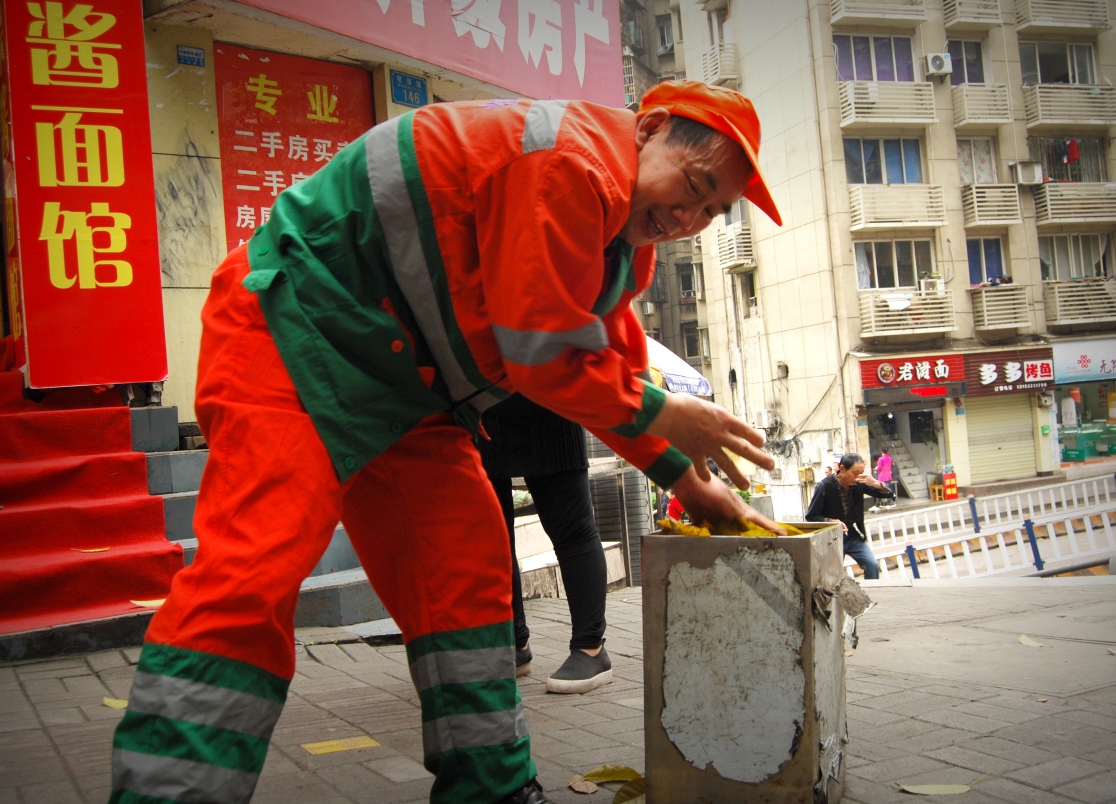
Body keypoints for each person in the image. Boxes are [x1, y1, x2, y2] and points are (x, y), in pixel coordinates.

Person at [107, 80, 785, 804]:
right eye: (695, 184)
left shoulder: (623, 248)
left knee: (467, 577)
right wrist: (663, 413)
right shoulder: (570, 164)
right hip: (293, 331)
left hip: (407, 386)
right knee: (254, 570)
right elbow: (543, 355)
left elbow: (604, 371)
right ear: (647, 131)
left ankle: (491, 791)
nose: (689, 217)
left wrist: (688, 483)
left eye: (711, 213)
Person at [476, 393, 612, 694]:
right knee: (491, 536)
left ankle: (591, 649)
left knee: (572, 530)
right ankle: (513, 643)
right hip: (479, 406)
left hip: (548, 393)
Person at [805, 453, 894, 580]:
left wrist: (875, 483)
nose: (858, 477)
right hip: (832, 537)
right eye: (855, 472)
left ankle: (870, 594)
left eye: (861, 473)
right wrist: (830, 521)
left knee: (872, 565)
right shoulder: (824, 486)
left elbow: (888, 494)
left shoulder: (859, 483)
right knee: (832, 574)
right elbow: (811, 516)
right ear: (842, 469)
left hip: (851, 535)